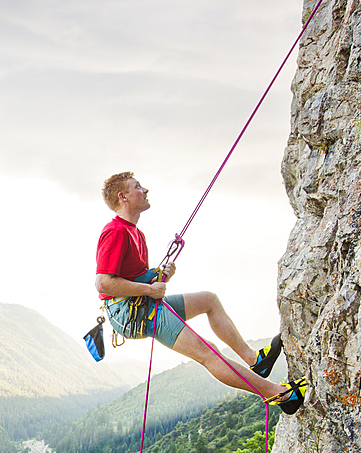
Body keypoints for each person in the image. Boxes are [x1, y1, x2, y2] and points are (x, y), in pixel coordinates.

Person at [94, 171, 305, 414]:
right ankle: (280, 395)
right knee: (208, 352)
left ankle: (255, 361)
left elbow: (129, 277)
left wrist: (160, 276)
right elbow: (104, 283)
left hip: (139, 304)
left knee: (209, 300)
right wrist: (149, 289)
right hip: (132, 312)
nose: (145, 190)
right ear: (124, 197)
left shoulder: (135, 232)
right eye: (137, 187)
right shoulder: (116, 231)